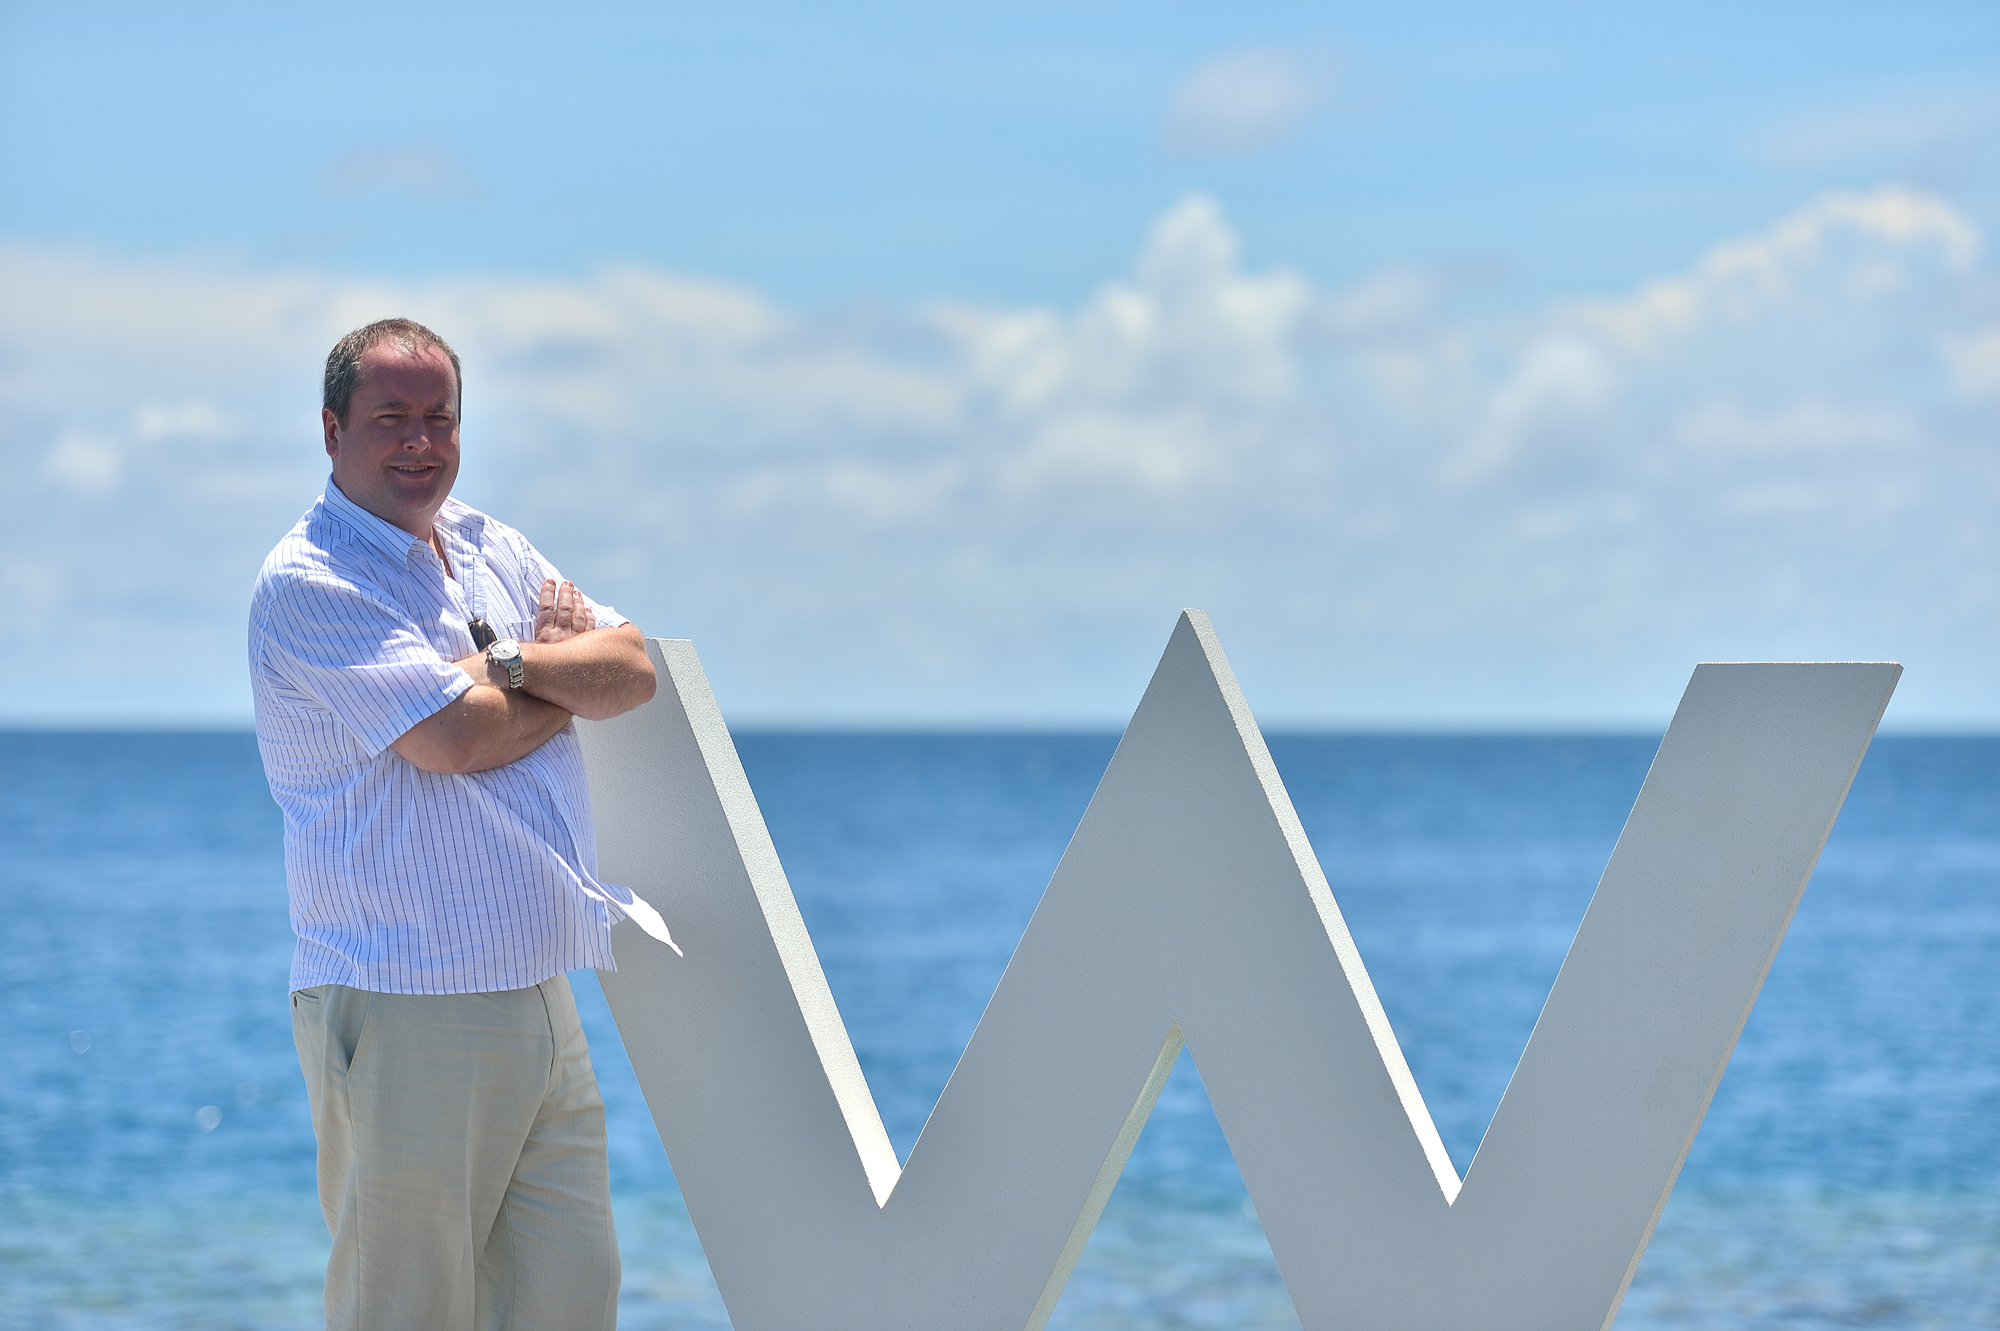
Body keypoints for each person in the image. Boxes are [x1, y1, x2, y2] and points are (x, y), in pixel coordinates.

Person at [249, 318, 664, 1330]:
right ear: (331, 428)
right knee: (408, 1310)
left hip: (540, 987)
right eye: (391, 416)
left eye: (440, 417)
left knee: (573, 1302)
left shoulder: (489, 545)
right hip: (407, 998)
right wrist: (555, 684)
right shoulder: (313, 580)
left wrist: (511, 665)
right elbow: (452, 738)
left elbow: (631, 668)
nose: (420, 441)